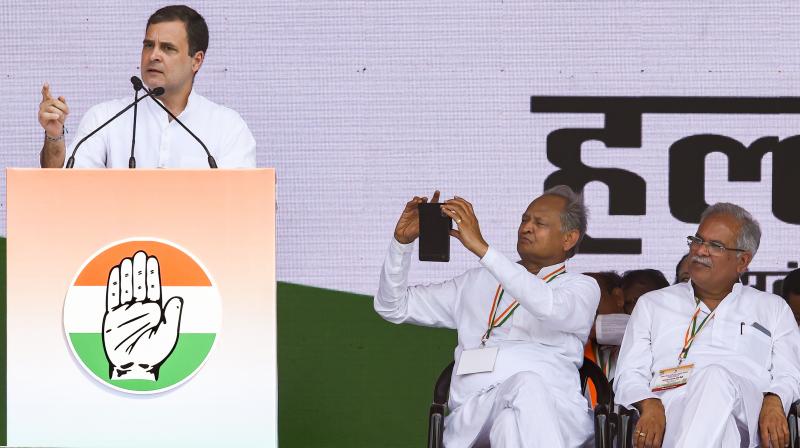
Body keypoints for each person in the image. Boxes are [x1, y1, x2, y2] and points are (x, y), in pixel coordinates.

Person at [375, 186, 600, 447]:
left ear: (569, 238)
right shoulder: (476, 281)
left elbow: (548, 307)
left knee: (511, 422)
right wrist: (401, 245)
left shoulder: (580, 287)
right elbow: (392, 306)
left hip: (557, 415)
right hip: (476, 413)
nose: (526, 227)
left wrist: (483, 249)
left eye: (539, 223)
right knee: (525, 386)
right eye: (524, 219)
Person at [614, 203, 800, 448]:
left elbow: (790, 373)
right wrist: (649, 404)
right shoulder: (653, 304)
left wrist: (775, 400)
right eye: (697, 240)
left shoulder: (772, 308)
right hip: (671, 413)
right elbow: (628, 374)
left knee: (715, 376)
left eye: (715, 245)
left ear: (742, 261)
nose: (701, 250)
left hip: (749, 411)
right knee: (724, 432)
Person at [38, 5, 255, 168]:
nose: (153, 56)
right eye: (148, 45)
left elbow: (239, 203)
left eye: (168, 48)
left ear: (196, 60)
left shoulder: (228, 127)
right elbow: (66, 186)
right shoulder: (104, 119)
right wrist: (54, 136)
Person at [584, 271, 625, 406]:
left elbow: (629, 326)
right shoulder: (575, 343)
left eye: (588, 296)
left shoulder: (641, 325)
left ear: (618, 297)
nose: (580, 305)